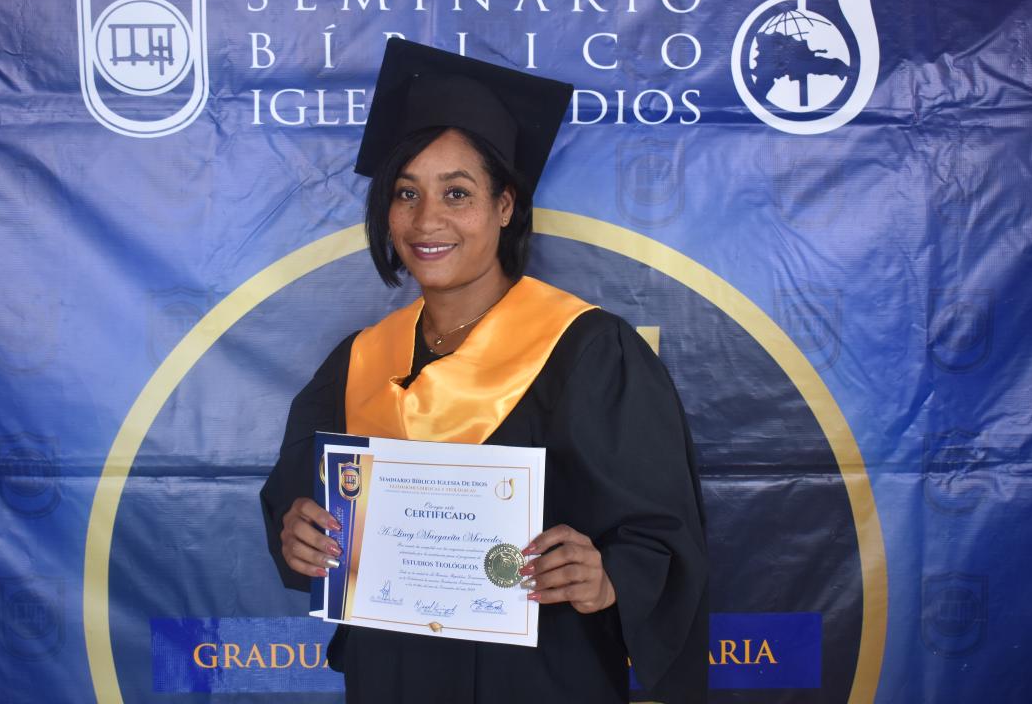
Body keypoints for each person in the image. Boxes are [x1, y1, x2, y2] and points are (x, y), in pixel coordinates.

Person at [260, 38, 708, 704]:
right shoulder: (358, 360)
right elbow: (302, 502)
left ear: (505, 205)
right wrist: (297, 533)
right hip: (392, 678)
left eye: (457, 193)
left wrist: (607, 577)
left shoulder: (588, 351)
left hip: (542, 681)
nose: (427, 220)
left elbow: (660, 534)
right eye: (406, 193)